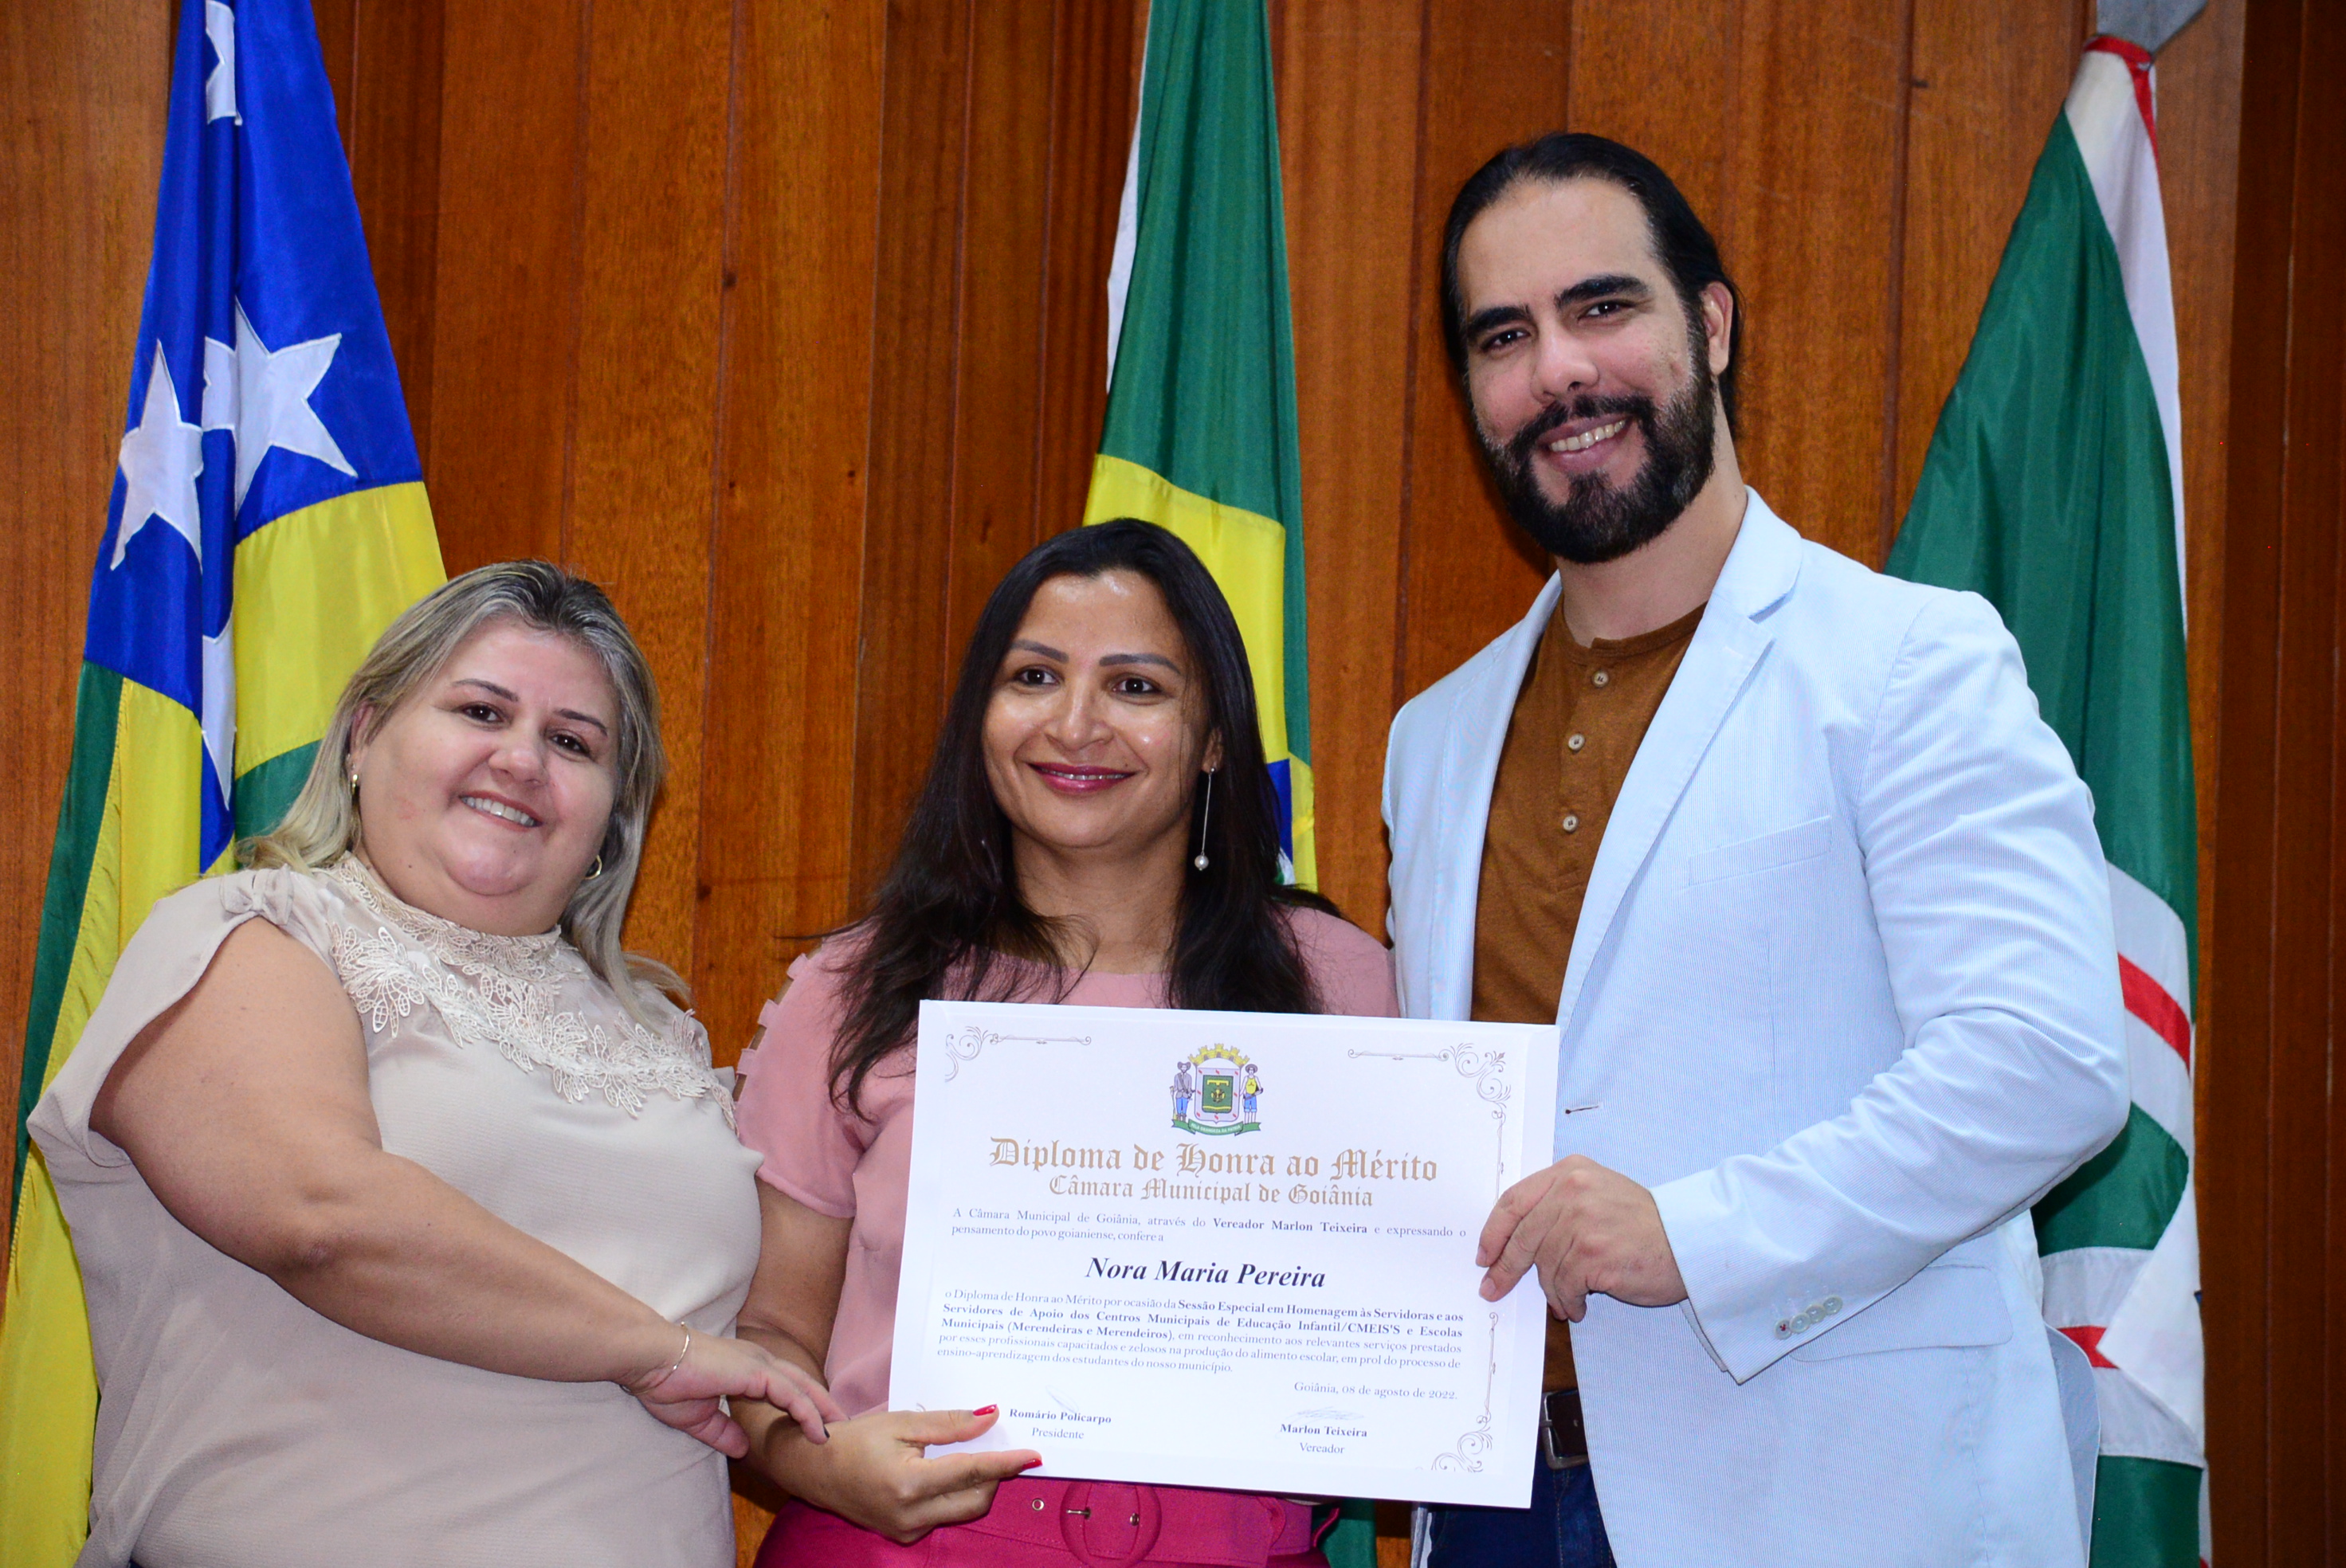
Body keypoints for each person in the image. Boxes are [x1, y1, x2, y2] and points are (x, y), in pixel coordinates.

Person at [1382, 133, 2129, 1566]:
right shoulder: (1434, 738)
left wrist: (1696, 1236)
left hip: (1827, 1501)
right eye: (1503, 336)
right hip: (1486, 1499)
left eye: (1601, 307)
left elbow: (2044, 1064)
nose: (1557, 372)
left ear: (1710, 326)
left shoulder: (1909, 661)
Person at [30, 562, 841, 1568]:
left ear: (612, 816)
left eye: (573, 742)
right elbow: (322, 1216)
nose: (521, 759)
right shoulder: (252, 934)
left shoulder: (664, 1036)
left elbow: (770, 1336)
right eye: (481, 711)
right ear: (364, 736)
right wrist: (655, 1352)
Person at [728, 519, 1399, 1566]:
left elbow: (1405, 1293)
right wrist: (818, 1466)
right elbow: (769, 1330)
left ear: (1215, 738)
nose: (1076, 724)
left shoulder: (1342, 983)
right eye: (1033, 677)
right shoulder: (858, 989)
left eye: (1136, 687)